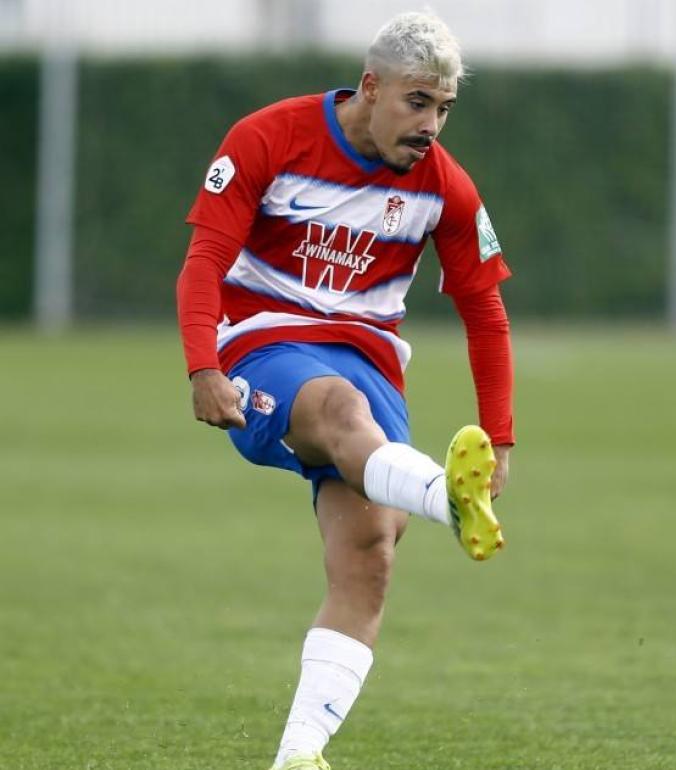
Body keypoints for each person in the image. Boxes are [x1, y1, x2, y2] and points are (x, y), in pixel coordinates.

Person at [174, 11, 514, 770]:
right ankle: (445, 498)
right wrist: (203, 366)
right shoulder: (269, 137)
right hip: (264, 344)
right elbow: (204, 262)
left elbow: (484, 312)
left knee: (370, 554)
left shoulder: (446, 188)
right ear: (371, 86)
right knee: (335, 410)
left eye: (445, 108)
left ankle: (299, 755)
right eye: (418, 102)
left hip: (372, 361)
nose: (432, 125)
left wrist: (504, 439)